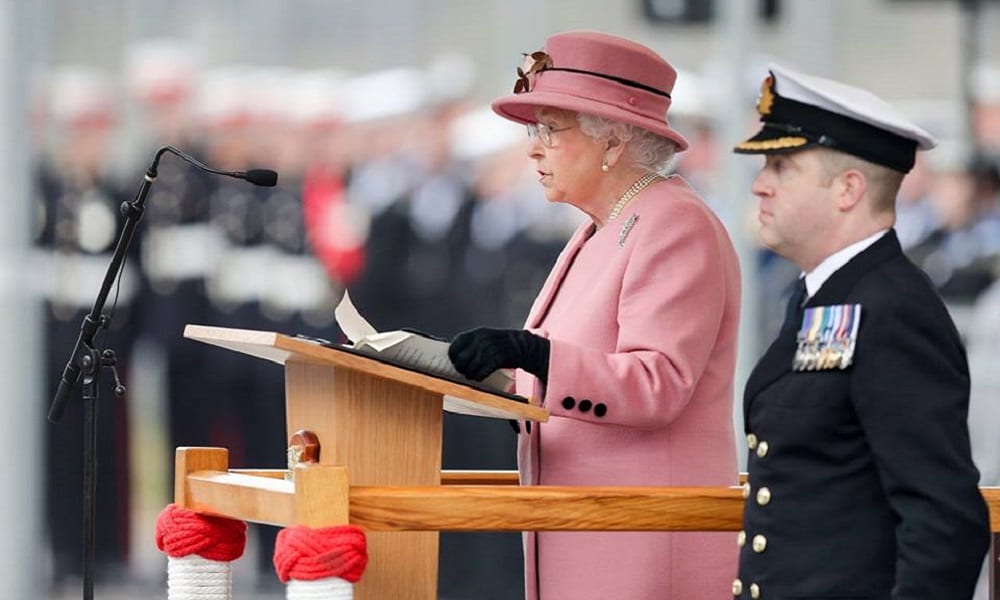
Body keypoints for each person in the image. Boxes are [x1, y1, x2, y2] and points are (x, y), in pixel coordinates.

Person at [448, 31, 742, 600]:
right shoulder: (607, 224)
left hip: (643, 546)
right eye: (535, 131)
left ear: (613, 139)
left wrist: (536, 357)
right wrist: (472, 375)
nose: (533, 150)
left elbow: (657, 383)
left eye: (551, 130)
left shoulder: (674, 223)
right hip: (595, 533)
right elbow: (574, 378)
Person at [731, 63, 991, 599]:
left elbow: (943, 518)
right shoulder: (824, 294)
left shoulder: (893, 308)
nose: (759, 186)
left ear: (847, 189)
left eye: (781, 167)